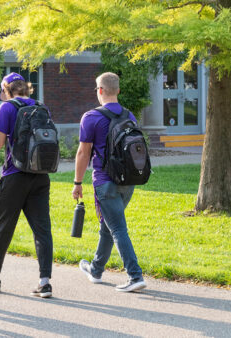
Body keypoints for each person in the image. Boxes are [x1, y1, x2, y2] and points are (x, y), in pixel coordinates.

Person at [0, 73, 54, 298]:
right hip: (40, 175)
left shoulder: (6, 108)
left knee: (4, 227)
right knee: (42, 229)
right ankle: (44, 282)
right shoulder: (42, 107)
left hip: (14, 175)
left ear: (6, 89)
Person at [72, 72, 146, 292]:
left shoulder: (91, 117)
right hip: (128, 180)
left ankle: (135, 276)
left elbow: (83, 153)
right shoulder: (129, 116)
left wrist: (77, 182)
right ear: (118, 91)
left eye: (97, 89)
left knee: (117, 228)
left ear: (101, 90)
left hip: (105, 181)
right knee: (109, 225)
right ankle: (95, 269)